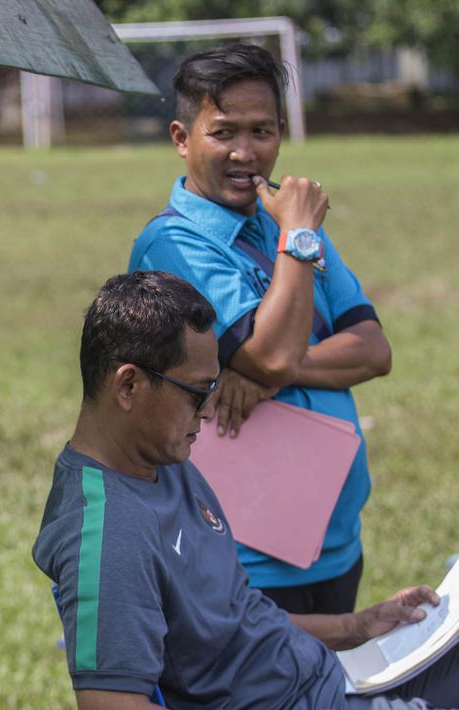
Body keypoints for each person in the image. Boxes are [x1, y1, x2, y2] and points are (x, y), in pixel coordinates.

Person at [32, 271, 457, 710]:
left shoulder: (160, 460)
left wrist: (357, 627)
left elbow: (235, 617)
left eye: (214, 388)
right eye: (198, 391)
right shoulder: (110, 533)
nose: (209, 409)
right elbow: (110, 704)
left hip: (334, 678)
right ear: (128, 386)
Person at [128, 43, 393, 614]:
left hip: (334, 543)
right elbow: (272, 354)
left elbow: (373, 351)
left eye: (261, 131)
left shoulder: (286, 231)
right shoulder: (173, 244)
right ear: (181, 138)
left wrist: (263, 370)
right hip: (241, 555)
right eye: (223, 132)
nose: (244, 152)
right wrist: (298, 239)